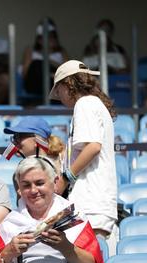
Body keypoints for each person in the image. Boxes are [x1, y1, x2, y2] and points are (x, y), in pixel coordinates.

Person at [0, 157, 104, 263]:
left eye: (39, 183)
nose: (33, 190)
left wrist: (66, 247)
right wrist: (9, 252)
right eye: (26, 185)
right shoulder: (10, 223)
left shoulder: (75, 216)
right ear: (19, 189)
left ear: (55, 183)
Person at [49, 60, 118, 243]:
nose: (60, 97)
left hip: (91, 201)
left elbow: (93, 146)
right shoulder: (93, 104)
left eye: (59, 90)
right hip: (95, 202)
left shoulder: (85, 104)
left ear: (68, 84)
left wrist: (65, 178)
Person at [22, 19, 70, 96]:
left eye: (53, 37)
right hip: (35, 83)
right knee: (37, 64)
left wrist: (51, 65)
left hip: (55, 83)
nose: (51, 40)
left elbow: (68, 72)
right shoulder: (30, 50)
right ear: (39, 40)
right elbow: (25, 73)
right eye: (48, 37)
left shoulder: (61, 51)